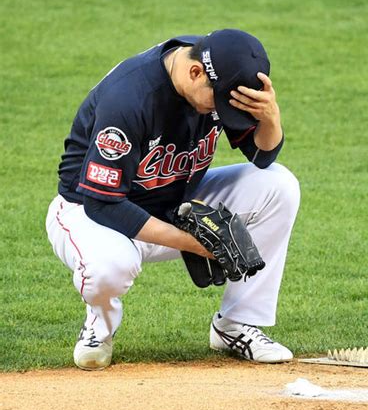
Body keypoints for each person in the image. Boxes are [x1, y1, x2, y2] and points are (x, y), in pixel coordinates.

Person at [45, 29, 300, 370]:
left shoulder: (222, 68)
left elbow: (262, 157)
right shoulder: (129, 98)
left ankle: (236, 325)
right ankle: (98, 328)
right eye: (219, 103)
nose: (222, 112)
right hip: (92, 214)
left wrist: (270, 117)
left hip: (174, 202)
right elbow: (102, 203)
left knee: (279, 186)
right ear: (195, 73)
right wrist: (194, 243)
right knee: (110, 267)